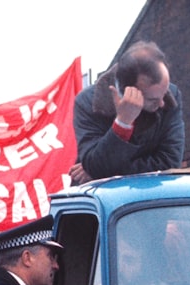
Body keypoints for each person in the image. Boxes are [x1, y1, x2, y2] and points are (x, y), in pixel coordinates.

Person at [69, 41, 184, 184]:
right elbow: (96, 165)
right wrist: (122, 123)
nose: (162, 103)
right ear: (128, 92)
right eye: (152, 100)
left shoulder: (171, 96)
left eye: (164, 92)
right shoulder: (87, 103)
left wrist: (104, 173)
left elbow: (169, 163)